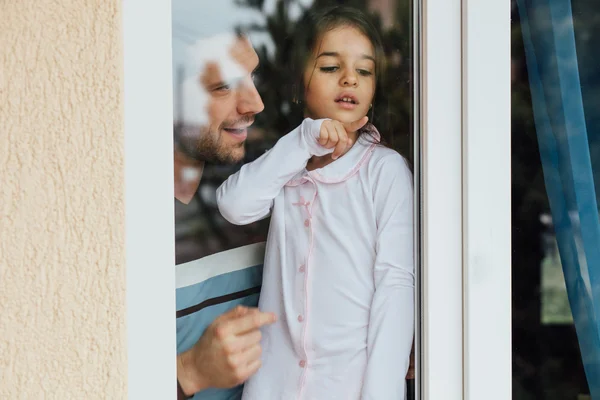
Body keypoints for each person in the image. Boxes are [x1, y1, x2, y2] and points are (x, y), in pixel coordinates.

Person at [217, 6, 414, 400]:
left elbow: (396, 286)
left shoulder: (385, 171)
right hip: (273, 387)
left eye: (364, 70)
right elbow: (235, 205)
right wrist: (303, 141)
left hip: (349, 386)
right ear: (297, 85)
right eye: (329, 67)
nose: (349, 79)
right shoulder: (287, 165)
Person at [173, 32, 276, 399]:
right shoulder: (113, 219)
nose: (256, 104)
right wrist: (190, 371)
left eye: (253, 78)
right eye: (224, 86)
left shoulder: (258, 194)